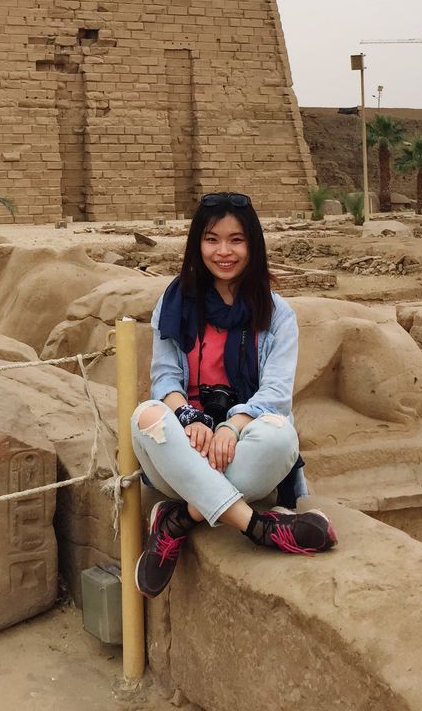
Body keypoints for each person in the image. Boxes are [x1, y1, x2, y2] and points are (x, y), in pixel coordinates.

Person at [132, 191, 337, 598]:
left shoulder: (277, 314)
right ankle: (258, 528)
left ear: (253, 245)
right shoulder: (173, 305)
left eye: (236, 240)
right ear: (197, 244)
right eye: (212, 239)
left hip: (240, 449)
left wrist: (231, 427)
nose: (224, 251)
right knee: (148, 416)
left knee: (280, 435)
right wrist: (190, 420)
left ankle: (179, 519)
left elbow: (276, 393)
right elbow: (165, 381)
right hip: (183, 447)